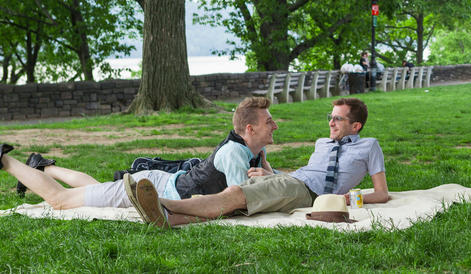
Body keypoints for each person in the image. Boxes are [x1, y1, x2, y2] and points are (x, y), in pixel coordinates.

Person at [129, 97, 388, 228]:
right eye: (330, 117)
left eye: (338, 119)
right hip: (293, 182)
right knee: (240, 203)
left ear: (356, 126)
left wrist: (349, 198)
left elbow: (381, 193)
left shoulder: (369, 146)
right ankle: (168, 219)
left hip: (309, 193)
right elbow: (305, 174)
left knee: (236, 193)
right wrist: (271, 174)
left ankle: (162, 204)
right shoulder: (323, 143)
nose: (330, 123)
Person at [0, 96, 276, 210]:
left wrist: (268, 173)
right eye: (268, 122)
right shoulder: (235, 154)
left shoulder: (254, 150)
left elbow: (263, 187)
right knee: (60, 200)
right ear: (249, 129)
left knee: (98, 190)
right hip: (154, 188)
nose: (274, 125)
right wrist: (267, 179)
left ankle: (42, 166)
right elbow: (240, 203)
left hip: (157, 185)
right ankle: (5, 160)